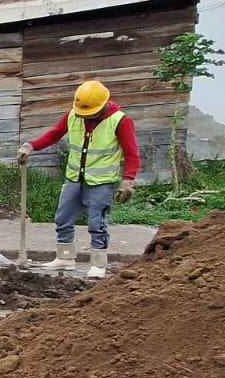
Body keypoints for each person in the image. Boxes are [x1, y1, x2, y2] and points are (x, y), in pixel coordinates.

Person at [17, 79, 138, 278]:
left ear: (102, 106)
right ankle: (65, 258)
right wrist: (31, 146)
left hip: (101, 182)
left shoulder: (120, 121)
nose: (84, 116)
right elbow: (54, 134)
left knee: (96, 223)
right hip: (74, 177)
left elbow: (132, 154)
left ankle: (98, 264)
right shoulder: (73, 115)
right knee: (63, 218)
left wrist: (128, 180)